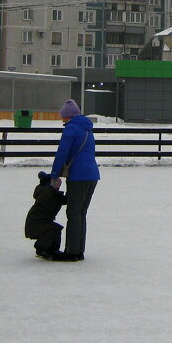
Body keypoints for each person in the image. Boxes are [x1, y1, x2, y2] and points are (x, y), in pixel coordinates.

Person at [50, 99, 99, 261]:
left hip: (78, 176)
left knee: (73, 213)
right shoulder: (87, 129)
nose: (62, 120)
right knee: (81, 214)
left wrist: (55, 174)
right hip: (92, 175)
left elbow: (62, 153)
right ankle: (78, 250)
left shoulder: (71, 129)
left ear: (68, 116)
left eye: (63, 117)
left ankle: (71, 252)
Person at [25, 171, 68, 260]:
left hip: (43, 222)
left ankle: (53, 250)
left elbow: (64, 200)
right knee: (49, 230)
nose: (58, 186)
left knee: (56, 229)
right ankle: (41, 248)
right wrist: (51, 187)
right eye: (55, 183)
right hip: (33, 224)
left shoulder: (53, 195)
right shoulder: (44, 194)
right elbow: (47, 195)